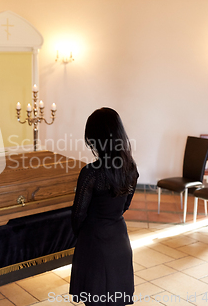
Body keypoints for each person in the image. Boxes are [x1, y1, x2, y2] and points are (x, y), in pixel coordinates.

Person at [69, 107, 139, 306]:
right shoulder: (131, 169)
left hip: (94, 242)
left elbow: (78, 214)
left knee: (95, 300)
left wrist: (82, 235)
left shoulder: (91, 173)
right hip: (119, 240)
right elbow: (125, 205)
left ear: (94, 139)